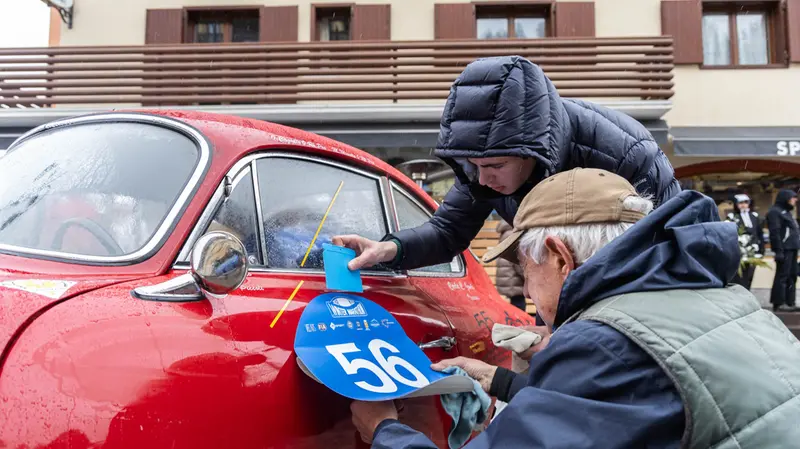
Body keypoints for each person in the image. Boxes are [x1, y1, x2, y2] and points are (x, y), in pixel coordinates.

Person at [350, 168, 800, 448]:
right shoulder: (719, 297)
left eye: (526, 269)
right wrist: (504, 381)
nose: (526, 293)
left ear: (560, 257)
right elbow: (621, 410)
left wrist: (386, 432)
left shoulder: (607, 340)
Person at [332, 55, 680, 276]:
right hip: (557, 292)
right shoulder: (482, 173)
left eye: (495, 164)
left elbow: (671, 242)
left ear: (531, 152)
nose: (482, 179)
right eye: (473, 165)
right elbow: (446, 231)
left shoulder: (623, 151)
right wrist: (388, 249)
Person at [767, 189, 800, 312]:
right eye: (793, 197)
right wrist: (778, 250)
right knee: (782, 276)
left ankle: (790, 302)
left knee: (792, 275)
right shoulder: (775, 212)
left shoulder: (786, 212)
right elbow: (775, 233)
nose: (795, 200)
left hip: (792, 248)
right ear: (785, 198)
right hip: (784, 249)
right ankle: (779, 302)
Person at [726, 193, 764, 289]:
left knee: (750, 275)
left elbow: (759, 233)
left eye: (746, 202)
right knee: (739, 277)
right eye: (741, 203)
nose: (743, 205)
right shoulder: (731, 217)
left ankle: (748, 291)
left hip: (753, 251)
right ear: (736, 204)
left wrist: (761, 249)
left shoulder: (754, 216)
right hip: (739, 252)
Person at [494, 220, 526, 312]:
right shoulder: (512, 233)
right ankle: (519, 325)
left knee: (515, 303)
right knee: (519, 305)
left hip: (508, 276)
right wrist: (526, 275)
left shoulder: (506, 232)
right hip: (514, 278)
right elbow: (516, 259)